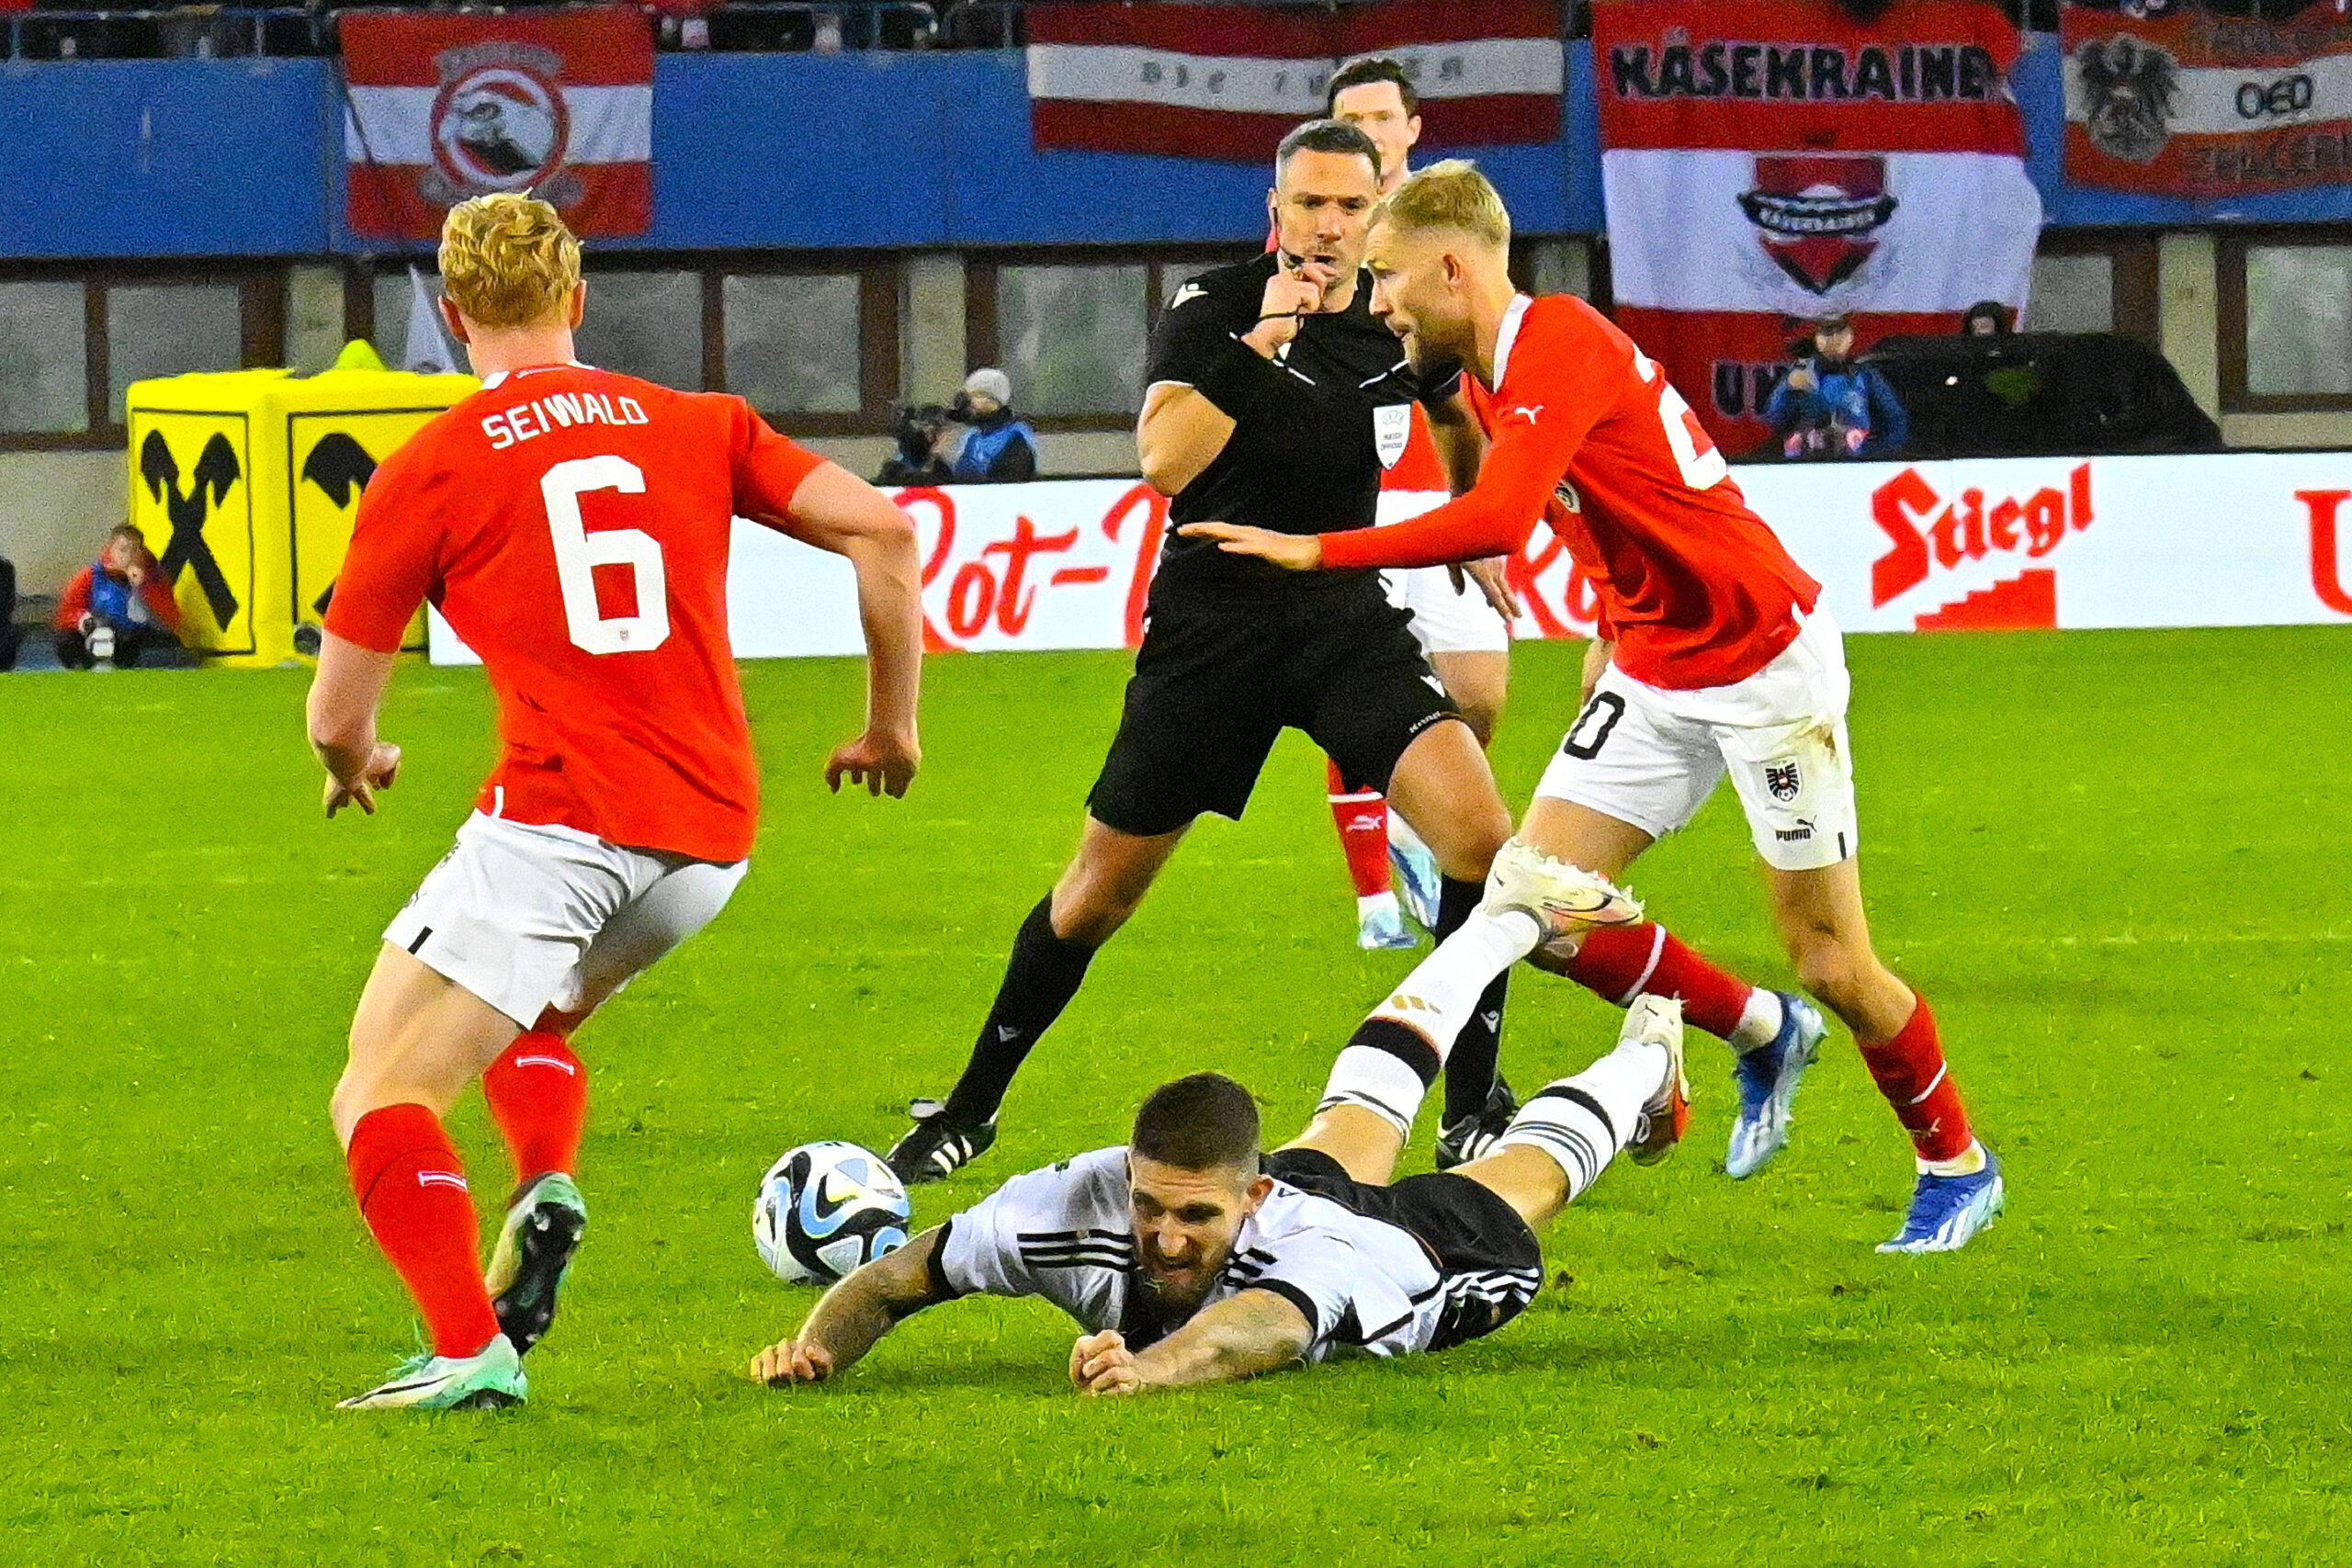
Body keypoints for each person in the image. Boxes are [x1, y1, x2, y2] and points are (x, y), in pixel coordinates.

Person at [1184, 162, 2003, 1254]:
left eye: (1384, 277)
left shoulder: (1559, 337)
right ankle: (1759, 1031)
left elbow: (1499, 518)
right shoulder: (1485, 374)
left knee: (1830, 957)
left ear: (1449, 265)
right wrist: (1611, 631)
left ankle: (1955, 1163)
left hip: (1763, 661)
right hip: (1656, 667)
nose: (1376, 302)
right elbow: (1614, 502)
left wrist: (1315, 550)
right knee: (1537, 901)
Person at [311, 192, 924, 1410]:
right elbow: (889, 533)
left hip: (558, 823)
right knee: (524, 1015)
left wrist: (356, 763)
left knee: (376, 1091)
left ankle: (467, 1348)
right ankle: (543, 1179)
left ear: (450, 315)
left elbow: (335, 713)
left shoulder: (430, 465)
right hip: (708, 837)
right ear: (578, 300)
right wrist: (889, 723)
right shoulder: (697, 422)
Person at [884, 120, 1524, 1187]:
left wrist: (1471, 512)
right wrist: (1262, 341)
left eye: (1348, 207)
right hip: (1211, 628)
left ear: (1377, 214)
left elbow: (1455, 399)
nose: (1326, 226)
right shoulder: (1213, 308)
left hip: (1340, 618)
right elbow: (1165, 464)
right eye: (1307, 204)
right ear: (1274, 212)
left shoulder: (1391, 314)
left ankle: (1470, 1106)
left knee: (1479, 838)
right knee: (1097, 896)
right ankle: (968, 1107)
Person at [753, 988, 1690, 1394]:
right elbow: (887, 1281)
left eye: (1193, 1216)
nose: (1162, 1238)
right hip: (1298, 1192)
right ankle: (1498, 935)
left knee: (1525, 1174)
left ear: (1249, 1199)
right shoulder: (1059, 1205)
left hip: (1419, 1251)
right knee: (1347, 1124)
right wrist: (816, 1352)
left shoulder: (1314, 1255)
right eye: (1149, 1207)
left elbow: (1266, 1330)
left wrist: (1149, 1370)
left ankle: (1644, 1056)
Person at [1319, 55, 1517, 954]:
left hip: (1446, 488)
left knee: (1476, 693)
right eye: (1347, 117)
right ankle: (1374, 900)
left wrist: (1488, 495)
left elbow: (1482, 357)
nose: (1365, 130)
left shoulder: (1448, 229)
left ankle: (1413, 827)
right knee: (1356, 688)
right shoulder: (1319, 246)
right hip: (1353, 501)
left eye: (1378, 115)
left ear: (1411, 128)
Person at [1765, 312, 1909, 460]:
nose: (1833, 341)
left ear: (1850, 338)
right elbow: (1773, 418)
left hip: (1854, 461)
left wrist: (1873, 451)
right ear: (1817, 339)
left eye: (1840, 333)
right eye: (1827, 334)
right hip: (1806, 461)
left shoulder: (1864, 375)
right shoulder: (1799, 373)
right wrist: (1787, 391)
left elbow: (1895, 418)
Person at [54, 524, 186, 670]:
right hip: (98, 631)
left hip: (134, 636)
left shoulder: (153, 577)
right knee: (67, 641)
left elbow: (170, 621)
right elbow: (67, 611)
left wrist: (145, 588)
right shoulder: (91, 575)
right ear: (111, 549)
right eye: (122, 550)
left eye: (134, 551)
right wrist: (84, 620)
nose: (127, 557)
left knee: (164, 646)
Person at [945, 368, 1038, 483]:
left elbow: (1012, 479)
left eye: (978, 395)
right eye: (969, 396)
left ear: (995, 400)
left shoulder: (1016, 433)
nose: (971, 402)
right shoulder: (972, 435)